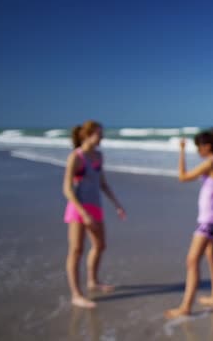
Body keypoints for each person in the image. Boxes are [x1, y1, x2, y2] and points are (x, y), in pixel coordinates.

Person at [165, 128, 213, 319]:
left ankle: (185, 307)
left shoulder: (210, 163)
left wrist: (182, 150)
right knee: (212, 256)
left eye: (197, 146)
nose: (196, 150)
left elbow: (183, 177)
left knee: (192, 261)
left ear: (207, 146)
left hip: (209, 220)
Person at [62, 120, 126, 308]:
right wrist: (83, 213)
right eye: (99, 134)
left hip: (95, 207)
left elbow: (103, 183)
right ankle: (76, 294)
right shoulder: (76, 157)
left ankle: (93, 281)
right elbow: (66, 189)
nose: (102, 137)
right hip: (78, 209)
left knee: (100, 245)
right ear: (87, 135)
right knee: (76, 250)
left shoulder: (99, 156)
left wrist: (117, 204)